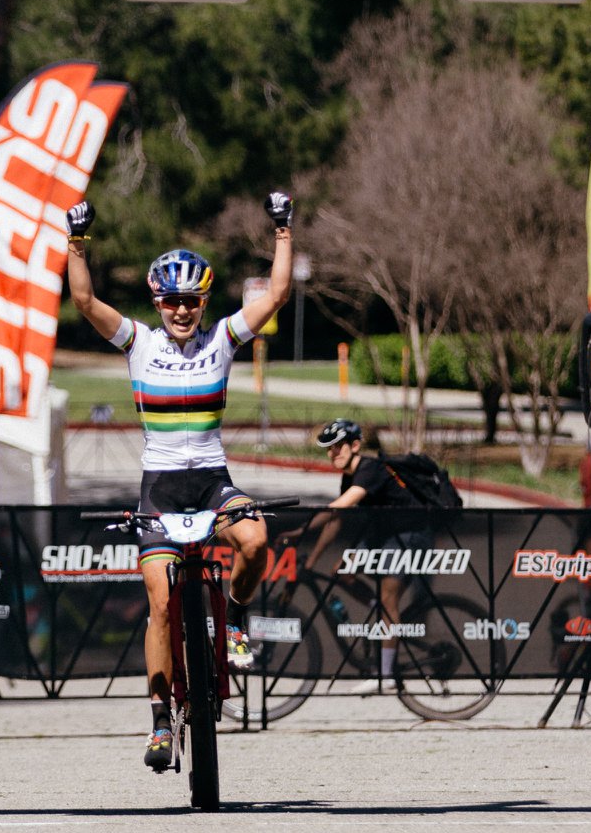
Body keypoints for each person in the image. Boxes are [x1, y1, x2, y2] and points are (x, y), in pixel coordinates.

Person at [64, 189, 293, 772]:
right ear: (157, 302)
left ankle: (236, 619)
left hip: (212, 480)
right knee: (162, 604)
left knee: (257, 541)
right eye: (172, 301)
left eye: (192, 301)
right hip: (160, 487)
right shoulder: (139, 343)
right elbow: (85, 299)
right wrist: (77, 243)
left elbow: (279, 293)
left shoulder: (223, 339)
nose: (182, 311)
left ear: (205, 301)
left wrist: (283, 232)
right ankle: (161, 719)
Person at [294, 418, 428, 689]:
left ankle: (385, 675)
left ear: (355, 446)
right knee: (341, 572)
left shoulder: (370, 469)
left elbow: (339, 507)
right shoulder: (350, 475)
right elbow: (336, 522)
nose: (333, 454)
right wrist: (312, 559)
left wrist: (299, 532)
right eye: (329, 449)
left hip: (408, 533)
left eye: (338, 447)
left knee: (389, 597)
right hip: (383, 534)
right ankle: (381, 613)